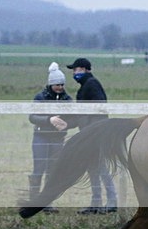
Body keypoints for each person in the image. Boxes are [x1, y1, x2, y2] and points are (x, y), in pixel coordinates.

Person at [67, 57, 117, 214]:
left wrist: (91, 130)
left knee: (100, 167)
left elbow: (99, 108)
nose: (75, 73)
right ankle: (96, 202)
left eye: (78, 69)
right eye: (74, 70)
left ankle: (111, 201)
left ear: (86, 69)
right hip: (89, 134)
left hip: (95, 135)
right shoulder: (85, 86)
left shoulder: (91, 84)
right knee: (93, 168)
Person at [27, 62, 72, 212]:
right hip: (41, 137)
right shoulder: (40, 97)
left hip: (58, 139)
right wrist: (49, 120)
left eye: (62, 84)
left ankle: (47, 203)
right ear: (51, 84)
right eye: (57, 84)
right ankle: (34, 201)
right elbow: (32, 116)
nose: (60, 87)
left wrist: (66, 124)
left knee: (52, 171)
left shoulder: (67, 99)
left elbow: (73, 117)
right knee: (38, 169)